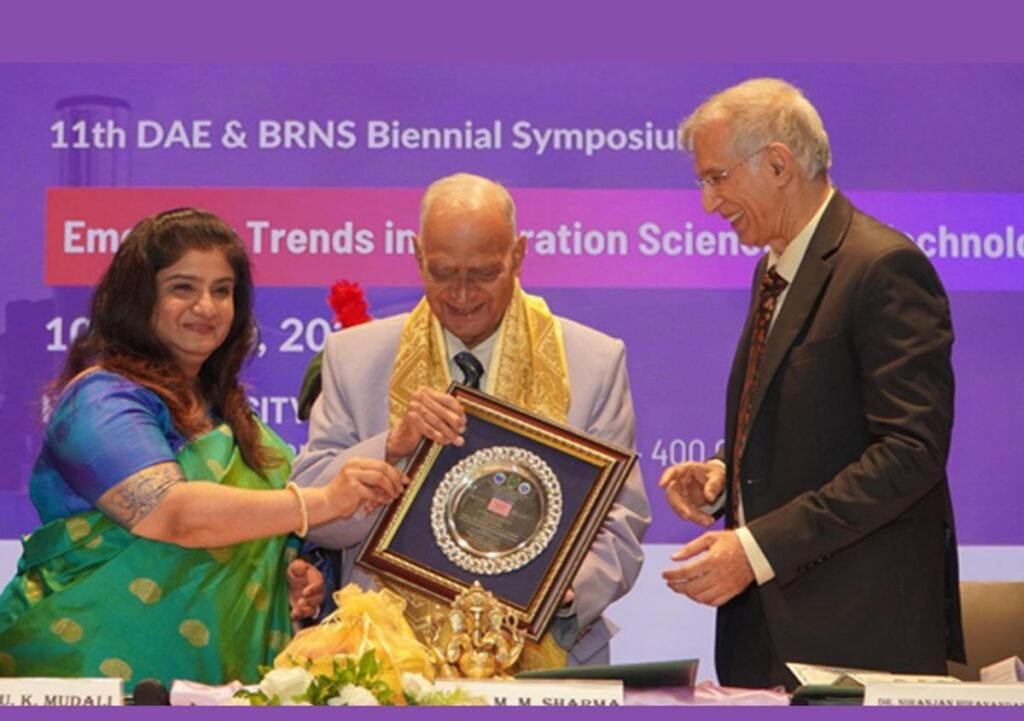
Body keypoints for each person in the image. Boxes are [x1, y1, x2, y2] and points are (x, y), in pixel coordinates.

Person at [0, 208, 406, 688]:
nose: (207, 307)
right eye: (183, 288)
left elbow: (254, 537)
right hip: (85, 674)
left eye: (222, 290)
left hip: (212, 685)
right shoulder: (101, 399)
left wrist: (291, 575)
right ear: (139, 297)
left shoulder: (233, 419)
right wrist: (320, 501)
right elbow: (173, 514)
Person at [659, 78, 965, 689]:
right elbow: (811, 419)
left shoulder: (882, 266)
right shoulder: (773, 269)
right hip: (765, 637)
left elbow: (909, 453)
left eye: (717, 178)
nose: (709, 204)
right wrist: (725, 472)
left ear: (778, 164)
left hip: (858, 637)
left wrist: (756, 548)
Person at [292, 172, 650, 666]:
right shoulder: (353, 357)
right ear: (417, 256)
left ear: (518, 256)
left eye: (483, 273)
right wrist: (392, 446)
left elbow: (620, 520)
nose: (461, 295)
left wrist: (562, 594)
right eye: (442, 273)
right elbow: (312, 513)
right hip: (387, 659)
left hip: (545, 655)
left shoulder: (592, 361)